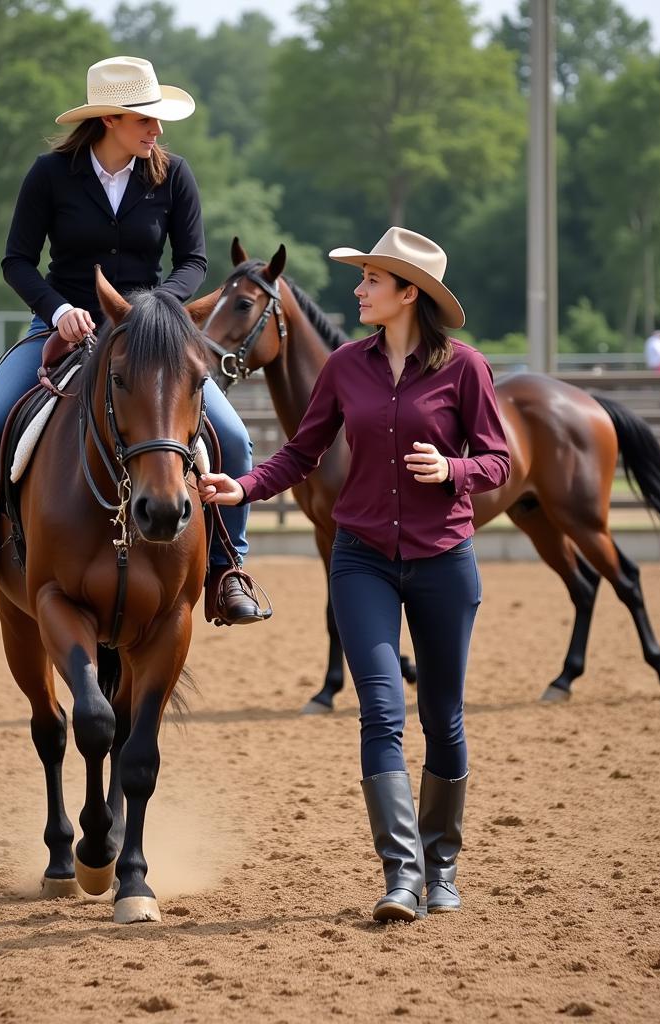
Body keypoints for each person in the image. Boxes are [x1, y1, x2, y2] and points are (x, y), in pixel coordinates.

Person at [199, 227, 510, 921]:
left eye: (371, 280)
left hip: (443, 563)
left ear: (409, 294)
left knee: (444, 717)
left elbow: (498, 462)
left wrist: (453, 470)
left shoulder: (466, 369)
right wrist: (242, 487)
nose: (357, 289)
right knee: (381, 710)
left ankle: (443, 867)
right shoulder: (344, 367)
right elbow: (302, 453)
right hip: (362, 558)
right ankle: (402, 874)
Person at [0, 56, 265, 624]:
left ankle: (229, 568)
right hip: (63, 326)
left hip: (149, 333)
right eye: (145, 120)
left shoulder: (173, 174)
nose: (156, 130)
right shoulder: (50, 175)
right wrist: (57, 309)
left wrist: (150, 310)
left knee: (233, 437)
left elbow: (194, 261)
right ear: (109, 119)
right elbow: (16, 261)